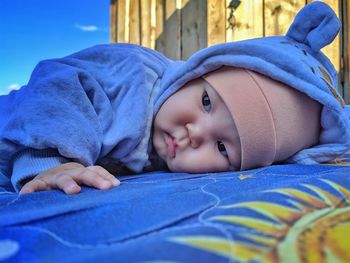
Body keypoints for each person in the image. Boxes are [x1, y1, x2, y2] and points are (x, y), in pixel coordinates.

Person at [0, 1, 349, 195]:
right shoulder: (132, 73)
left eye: (223, 148)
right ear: (195, 74)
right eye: (208, 102)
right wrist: (51, 163)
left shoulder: (170, 144)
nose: (195, 133)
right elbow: (54, 86)